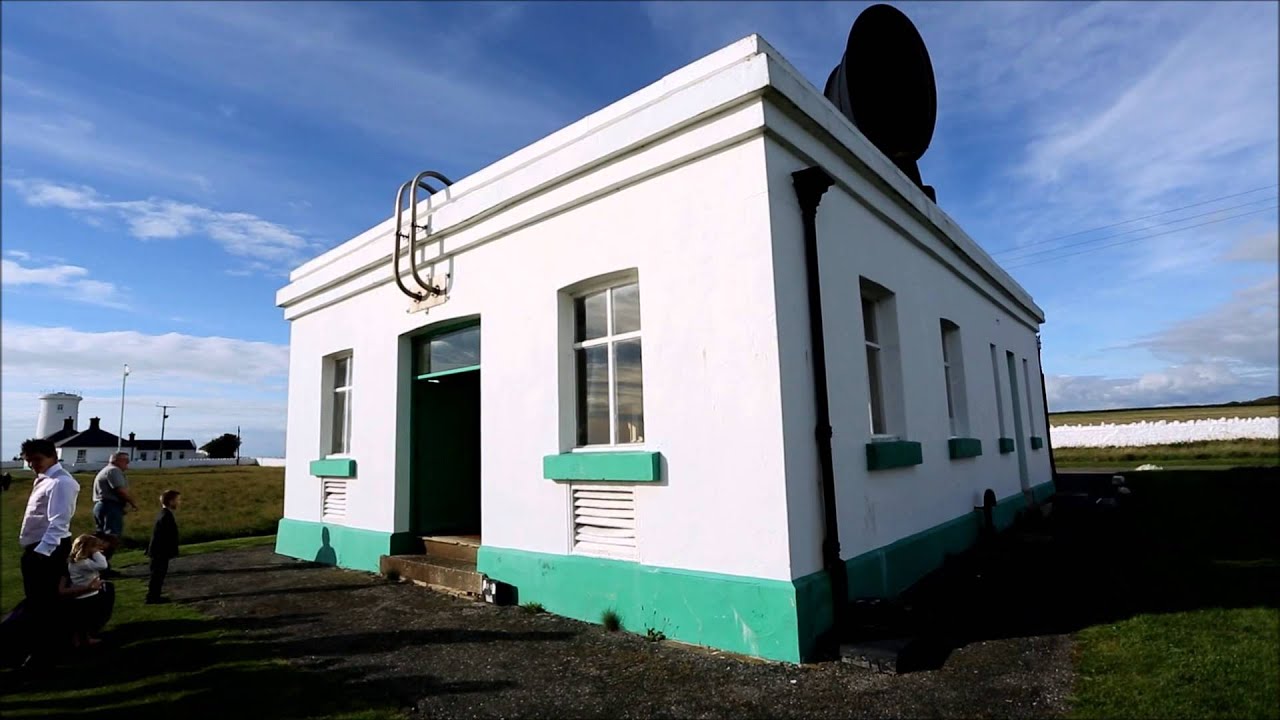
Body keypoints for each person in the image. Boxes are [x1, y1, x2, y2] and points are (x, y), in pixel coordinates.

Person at [16, 438, 80, 665]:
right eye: (29, 461)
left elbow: (59, 522)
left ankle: (46, 651)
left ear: (53, 456)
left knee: (44, 602)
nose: (33, 464)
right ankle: (51, 646)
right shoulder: (46, 479)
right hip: (40, 546)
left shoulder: (61, 482)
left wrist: (40, 553)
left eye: (37, 459)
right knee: (41, 600)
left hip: (47, 548)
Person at [92, 452, 138, 568]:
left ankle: (98, 563)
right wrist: (132, 503)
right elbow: (120, 490)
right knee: (111, 537)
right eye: (125, 461)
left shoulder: (106, 470)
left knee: (101, 536)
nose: (127, 464)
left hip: (103, 505)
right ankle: (103, 564)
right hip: (110, 506)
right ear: (117, 460)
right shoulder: (114, 471)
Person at [66, 534, 113, 646]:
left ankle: (83, 639)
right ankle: (83, 640)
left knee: (82, 620)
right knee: (86, 620)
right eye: (95, 547)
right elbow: (103, 565)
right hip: (87, 594)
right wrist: (96, 553)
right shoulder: (84, 563)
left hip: (82, 593)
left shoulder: (74, 562)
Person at [146, 490, 181, 604]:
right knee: (157, 575)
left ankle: (154, 595)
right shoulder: (166, 516)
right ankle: (153, 597)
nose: (179, 502)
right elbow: (167, 536)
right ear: (171, 501)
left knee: (158, 575)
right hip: (160, 551)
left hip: (158, 551)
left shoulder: (164, 514)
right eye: (177, 500)